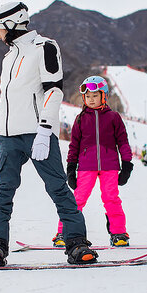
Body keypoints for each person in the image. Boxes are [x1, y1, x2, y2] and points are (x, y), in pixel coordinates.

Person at [0, 1, 98, 266]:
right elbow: (6, 101)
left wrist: (45, 130)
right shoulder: (8, 57)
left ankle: (77, 244)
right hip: (8, 138)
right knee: (2, 192)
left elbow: (53, 90)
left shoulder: (45, 47)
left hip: (37, 133)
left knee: (58, 189)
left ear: (11, 24)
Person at [58, 75, 133, 247]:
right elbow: (74, 145)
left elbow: (123, 141)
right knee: (78, 199)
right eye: (88, 97)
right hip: (86, 166)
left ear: (103, 96)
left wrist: (127, 165)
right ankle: (65, 232)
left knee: (111, 198)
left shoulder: (114, 117)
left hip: (110, 166)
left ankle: (119, 233)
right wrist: (71, 168)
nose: (91, 100)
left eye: (95, 96)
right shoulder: (80, 119)